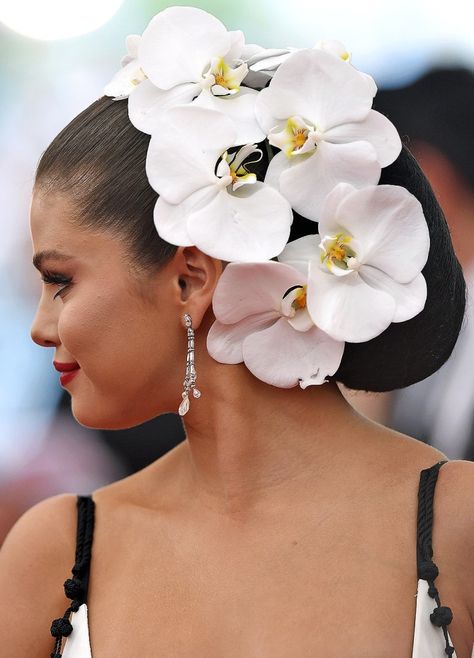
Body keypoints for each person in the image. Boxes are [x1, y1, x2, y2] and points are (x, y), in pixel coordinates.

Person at [0, 7, 473, 658]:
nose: (39, 328)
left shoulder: (458, 526)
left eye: (61, 282)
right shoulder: (54, 553)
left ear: (191, 280)